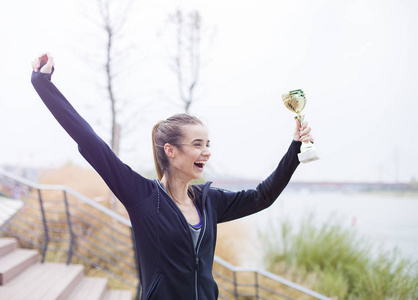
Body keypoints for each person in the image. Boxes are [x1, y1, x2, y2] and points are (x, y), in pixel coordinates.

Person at [31, 53, 314, 300]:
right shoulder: (142, 197)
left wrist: (295, 149)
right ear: (171, 151)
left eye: (208, 144)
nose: (207, 152)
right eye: (197, 145)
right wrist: (43, 84)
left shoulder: (209, 201)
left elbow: (263, 196)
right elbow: (90, 141)